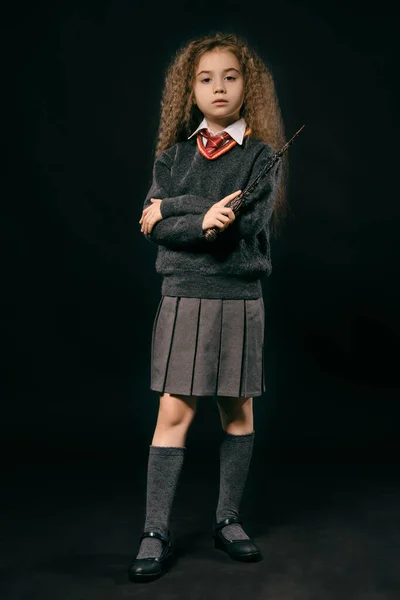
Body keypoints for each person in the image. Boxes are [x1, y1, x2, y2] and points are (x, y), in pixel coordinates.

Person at [128, 31, 288, 583]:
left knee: (236, 412)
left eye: (231, 76)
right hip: (182, 297)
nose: (218, 86)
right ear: (189, 90)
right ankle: (155, 530)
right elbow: (157, 227)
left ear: (247, 87)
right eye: (205, 78)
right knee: (173, 414)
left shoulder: (263, 157)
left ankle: (227, 519)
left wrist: (173, 215)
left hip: (239, 299)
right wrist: (191, 215)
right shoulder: (171, 158)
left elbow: (245, 224)